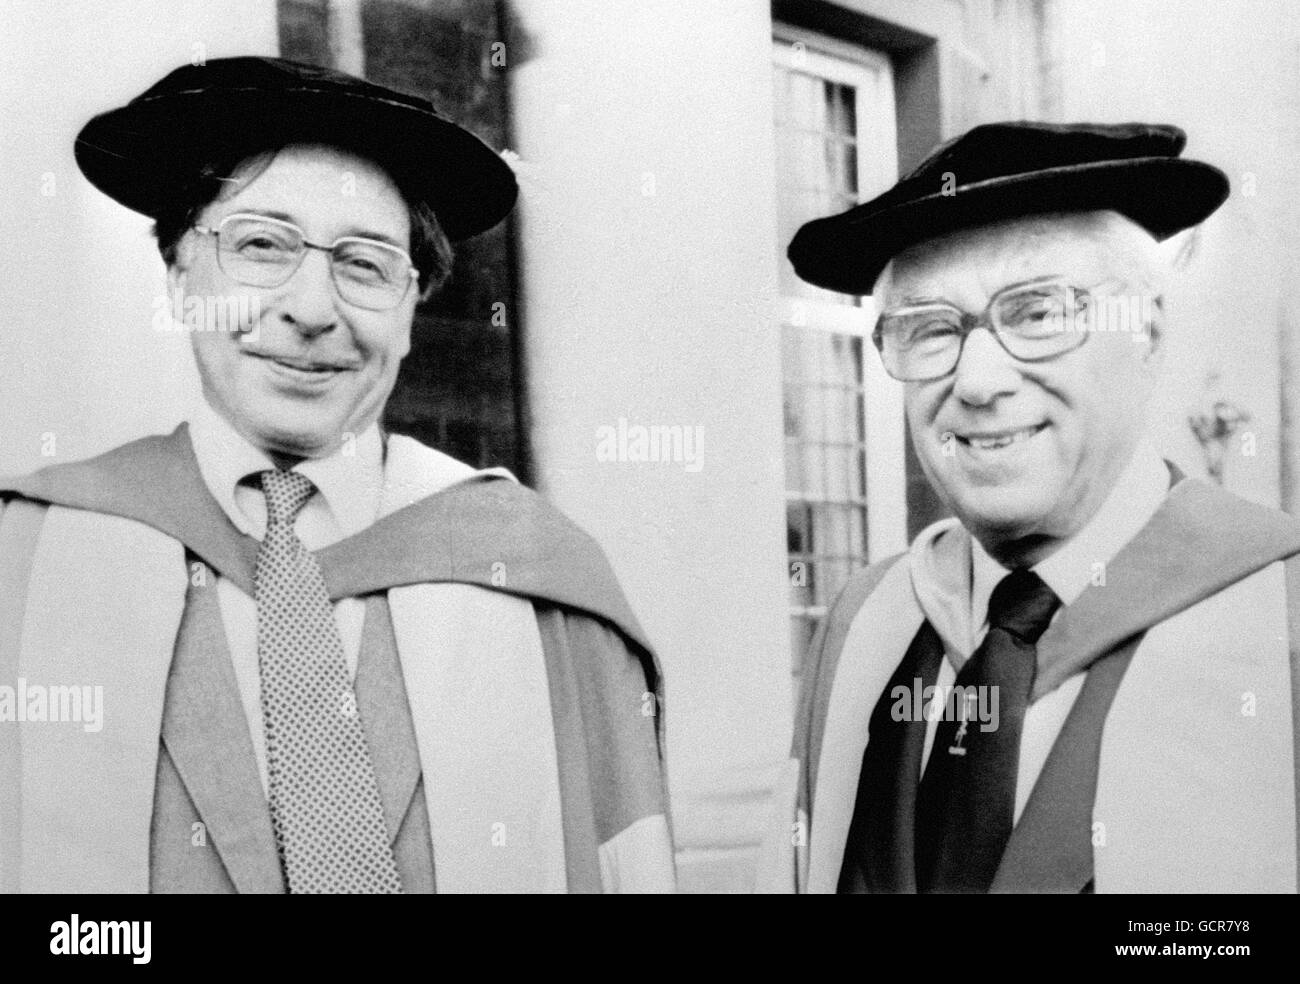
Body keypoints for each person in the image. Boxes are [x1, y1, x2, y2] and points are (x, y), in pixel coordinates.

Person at [0, 56, 675, 894]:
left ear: (411, 307)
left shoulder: (548, 590)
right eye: (260, 245)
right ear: (179, 278)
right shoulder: (27, 560)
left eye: (364, 264)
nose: (313, 309)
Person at [759, 121, 1299, 893]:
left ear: (1145, 328)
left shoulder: (1277, 615)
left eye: (1038, 313)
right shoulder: (865, 628)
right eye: (929, 329)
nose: (978, 382)